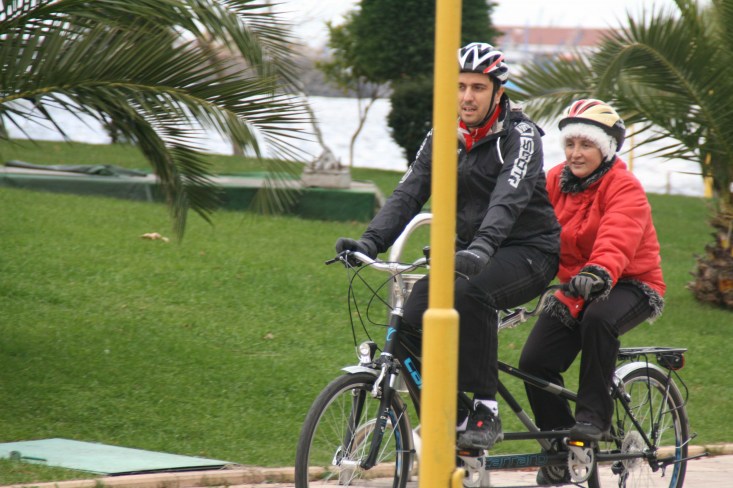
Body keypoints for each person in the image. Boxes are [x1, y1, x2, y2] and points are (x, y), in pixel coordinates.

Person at [334, 42, 560, 450]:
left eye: (478, 87)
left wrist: (482, 248)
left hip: (529, 251)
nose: (467, 97)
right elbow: (409, 191)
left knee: (473, 292)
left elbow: (507, 199)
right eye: (459, 86)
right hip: (470, 252)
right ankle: (453, 414)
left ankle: (486, 409)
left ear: (498, 92)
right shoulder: (444, 134)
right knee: (408, 320)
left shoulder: (520, 135)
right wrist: (370, 241)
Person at [518, 99, 665, 484]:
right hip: (578, 287)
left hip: (631, 282)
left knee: (599, 318)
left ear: (606, 148)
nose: (575, 153)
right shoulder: (554, 180)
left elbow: (618, 235)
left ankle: (592, 420)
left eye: (586, 144)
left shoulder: (624, 186)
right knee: (533, 362)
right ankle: (559, 450)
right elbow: (524, 222)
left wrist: (599, 270)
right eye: (570, 144)